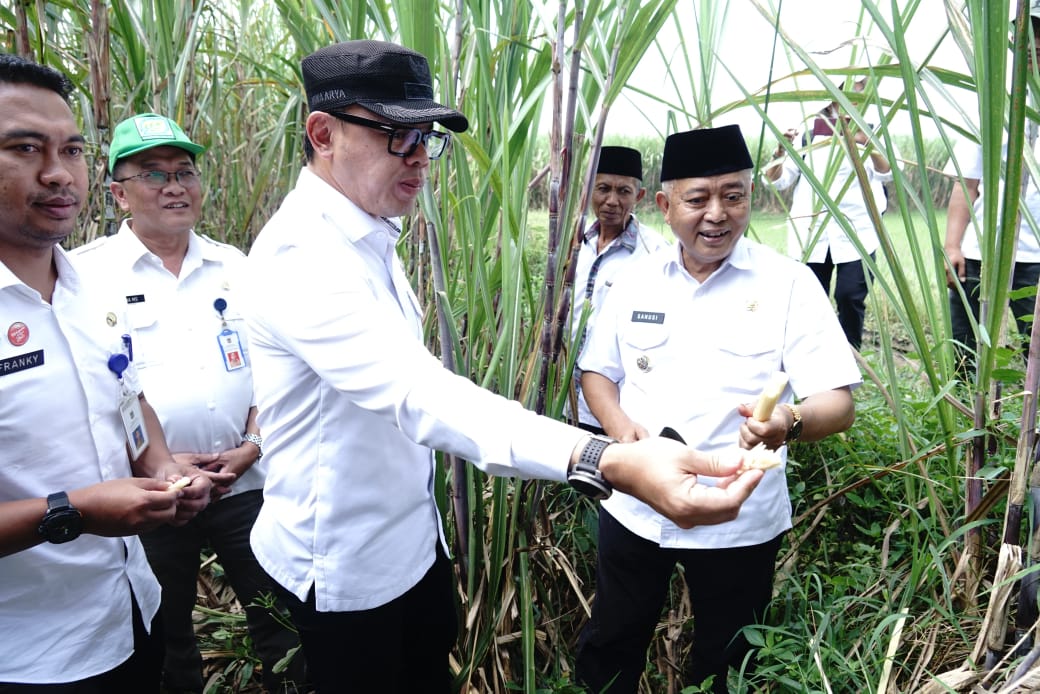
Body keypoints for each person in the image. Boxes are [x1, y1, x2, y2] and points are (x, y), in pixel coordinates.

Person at [240, 40, 765, 694]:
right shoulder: (304, 257)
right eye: (396, 137)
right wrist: (606, 459)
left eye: (425, 139)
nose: (418, 160)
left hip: (411, 546)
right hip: (346, 571)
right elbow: (422, 394)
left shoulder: (368, 231)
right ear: (323, 133)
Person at [575, 125, 860, 693]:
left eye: (733, 196)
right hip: (635, 507)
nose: (717, 215)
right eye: (698, 198)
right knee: (612, 641)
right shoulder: (634, 282)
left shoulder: (789, 284)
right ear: (663, 204)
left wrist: (787, 423)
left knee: (728, 661)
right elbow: (596, 374)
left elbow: (838, 401)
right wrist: (618, 428)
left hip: (739, 517)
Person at [0, 54, 215, 691]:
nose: (57, 173)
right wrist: (76, 511)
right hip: (30, 654)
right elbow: (81, 509)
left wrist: (162, 467)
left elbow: (126, 396)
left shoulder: (90, 289)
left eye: (71, 149)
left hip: (128, 611)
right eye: (24, 148)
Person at [71, 114, 306, 693]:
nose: (175, 186)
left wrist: (252, 447)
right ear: (117, 193)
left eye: (185, 172)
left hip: (246, 486)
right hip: (147, 494)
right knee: (163, 635)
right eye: (153, 174)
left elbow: (278, 370)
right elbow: (92, 387)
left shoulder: (236, 266)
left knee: (283, 626)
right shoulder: (83, 274)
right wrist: (163, 464)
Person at [765, 78, 896, 350]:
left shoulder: (873, 128)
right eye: (851, 87)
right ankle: (812, 354)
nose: (857, 93)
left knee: (850, 296)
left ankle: (850, 356)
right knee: (811, 299)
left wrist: (866, 142)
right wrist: (780, 151)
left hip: (857, 232)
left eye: (862, 87)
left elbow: (889, 174)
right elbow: (777, 181)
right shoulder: (808, 132)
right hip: (811, 233)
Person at [943, 7, 1040, 367]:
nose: (1036, 44)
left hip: (1035, 258)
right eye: (1029, 34)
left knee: (1036, 351)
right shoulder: (992, 105)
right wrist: (953, 245)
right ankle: (973, 413)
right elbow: (966, 183)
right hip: (982, 252)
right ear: (1014, 41)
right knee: (968, 351)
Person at [570, 145, 669, 433]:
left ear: (639, 196)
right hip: (562, 399)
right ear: (588, 191)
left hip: (619, 411)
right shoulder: (570, 243)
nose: (612, 200)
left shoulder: (654, 254)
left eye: (624, 191)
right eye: (603, 188)